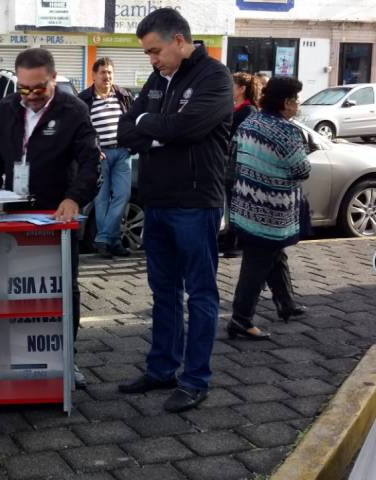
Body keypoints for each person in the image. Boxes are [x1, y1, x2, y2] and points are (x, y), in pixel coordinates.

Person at [116, 8, 232, 413]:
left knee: (200, 293)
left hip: (195, 202)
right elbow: (124, 130)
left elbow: (188, 129)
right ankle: (162, 368)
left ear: (179, 41)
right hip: (157, 201)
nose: (152, 59)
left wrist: (149, 124)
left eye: (155, 51)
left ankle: (196, 379)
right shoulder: (157, 79)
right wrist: (157, 127)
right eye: (147, 53)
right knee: (163, 291)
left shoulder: (214, 77)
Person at [0, 48, 100, 389]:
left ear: (53, 79)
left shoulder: (73, 110)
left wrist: (74, 198)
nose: (31, 95)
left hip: (57, 216)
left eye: (39, 88)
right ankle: (18, 354)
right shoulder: (6, 109)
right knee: (15, 288)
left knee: (63, 289)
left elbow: (90, 161)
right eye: (24, 88)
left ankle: (67, 358)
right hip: (14, 215)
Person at [227, 77, 310, 340]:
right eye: (295, 99)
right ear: (286, 102)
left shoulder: (249, 122)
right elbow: (302, 169)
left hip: (245, 204)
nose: (297, 104)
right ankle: (241, 319)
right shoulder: (288, 132)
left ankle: (286, 303)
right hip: (270, 211)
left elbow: (233, 156)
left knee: (273, 254)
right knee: (257, 264)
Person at [78, 58, 134, 259]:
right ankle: (114, 242)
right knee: (101, 200)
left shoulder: (123, 95)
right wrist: (94, 149)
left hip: (122, 153)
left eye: (110, 72)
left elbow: (132, 120)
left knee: (123, 195)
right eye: (102, 72)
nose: (107, 76)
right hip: (99, 155)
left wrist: (132, 143)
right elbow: (81, 130)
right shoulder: (84, 99)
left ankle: (102, 238)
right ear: (93, 75)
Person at [222, 72, 259, 258]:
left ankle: (236, 243)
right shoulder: (235, 108)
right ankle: (229, 239)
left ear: (242, 89)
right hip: (229, 165)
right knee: (231, 203)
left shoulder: (249, 111)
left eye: (233, 85)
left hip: (239, 166)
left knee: (237, 203)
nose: (230, 88)